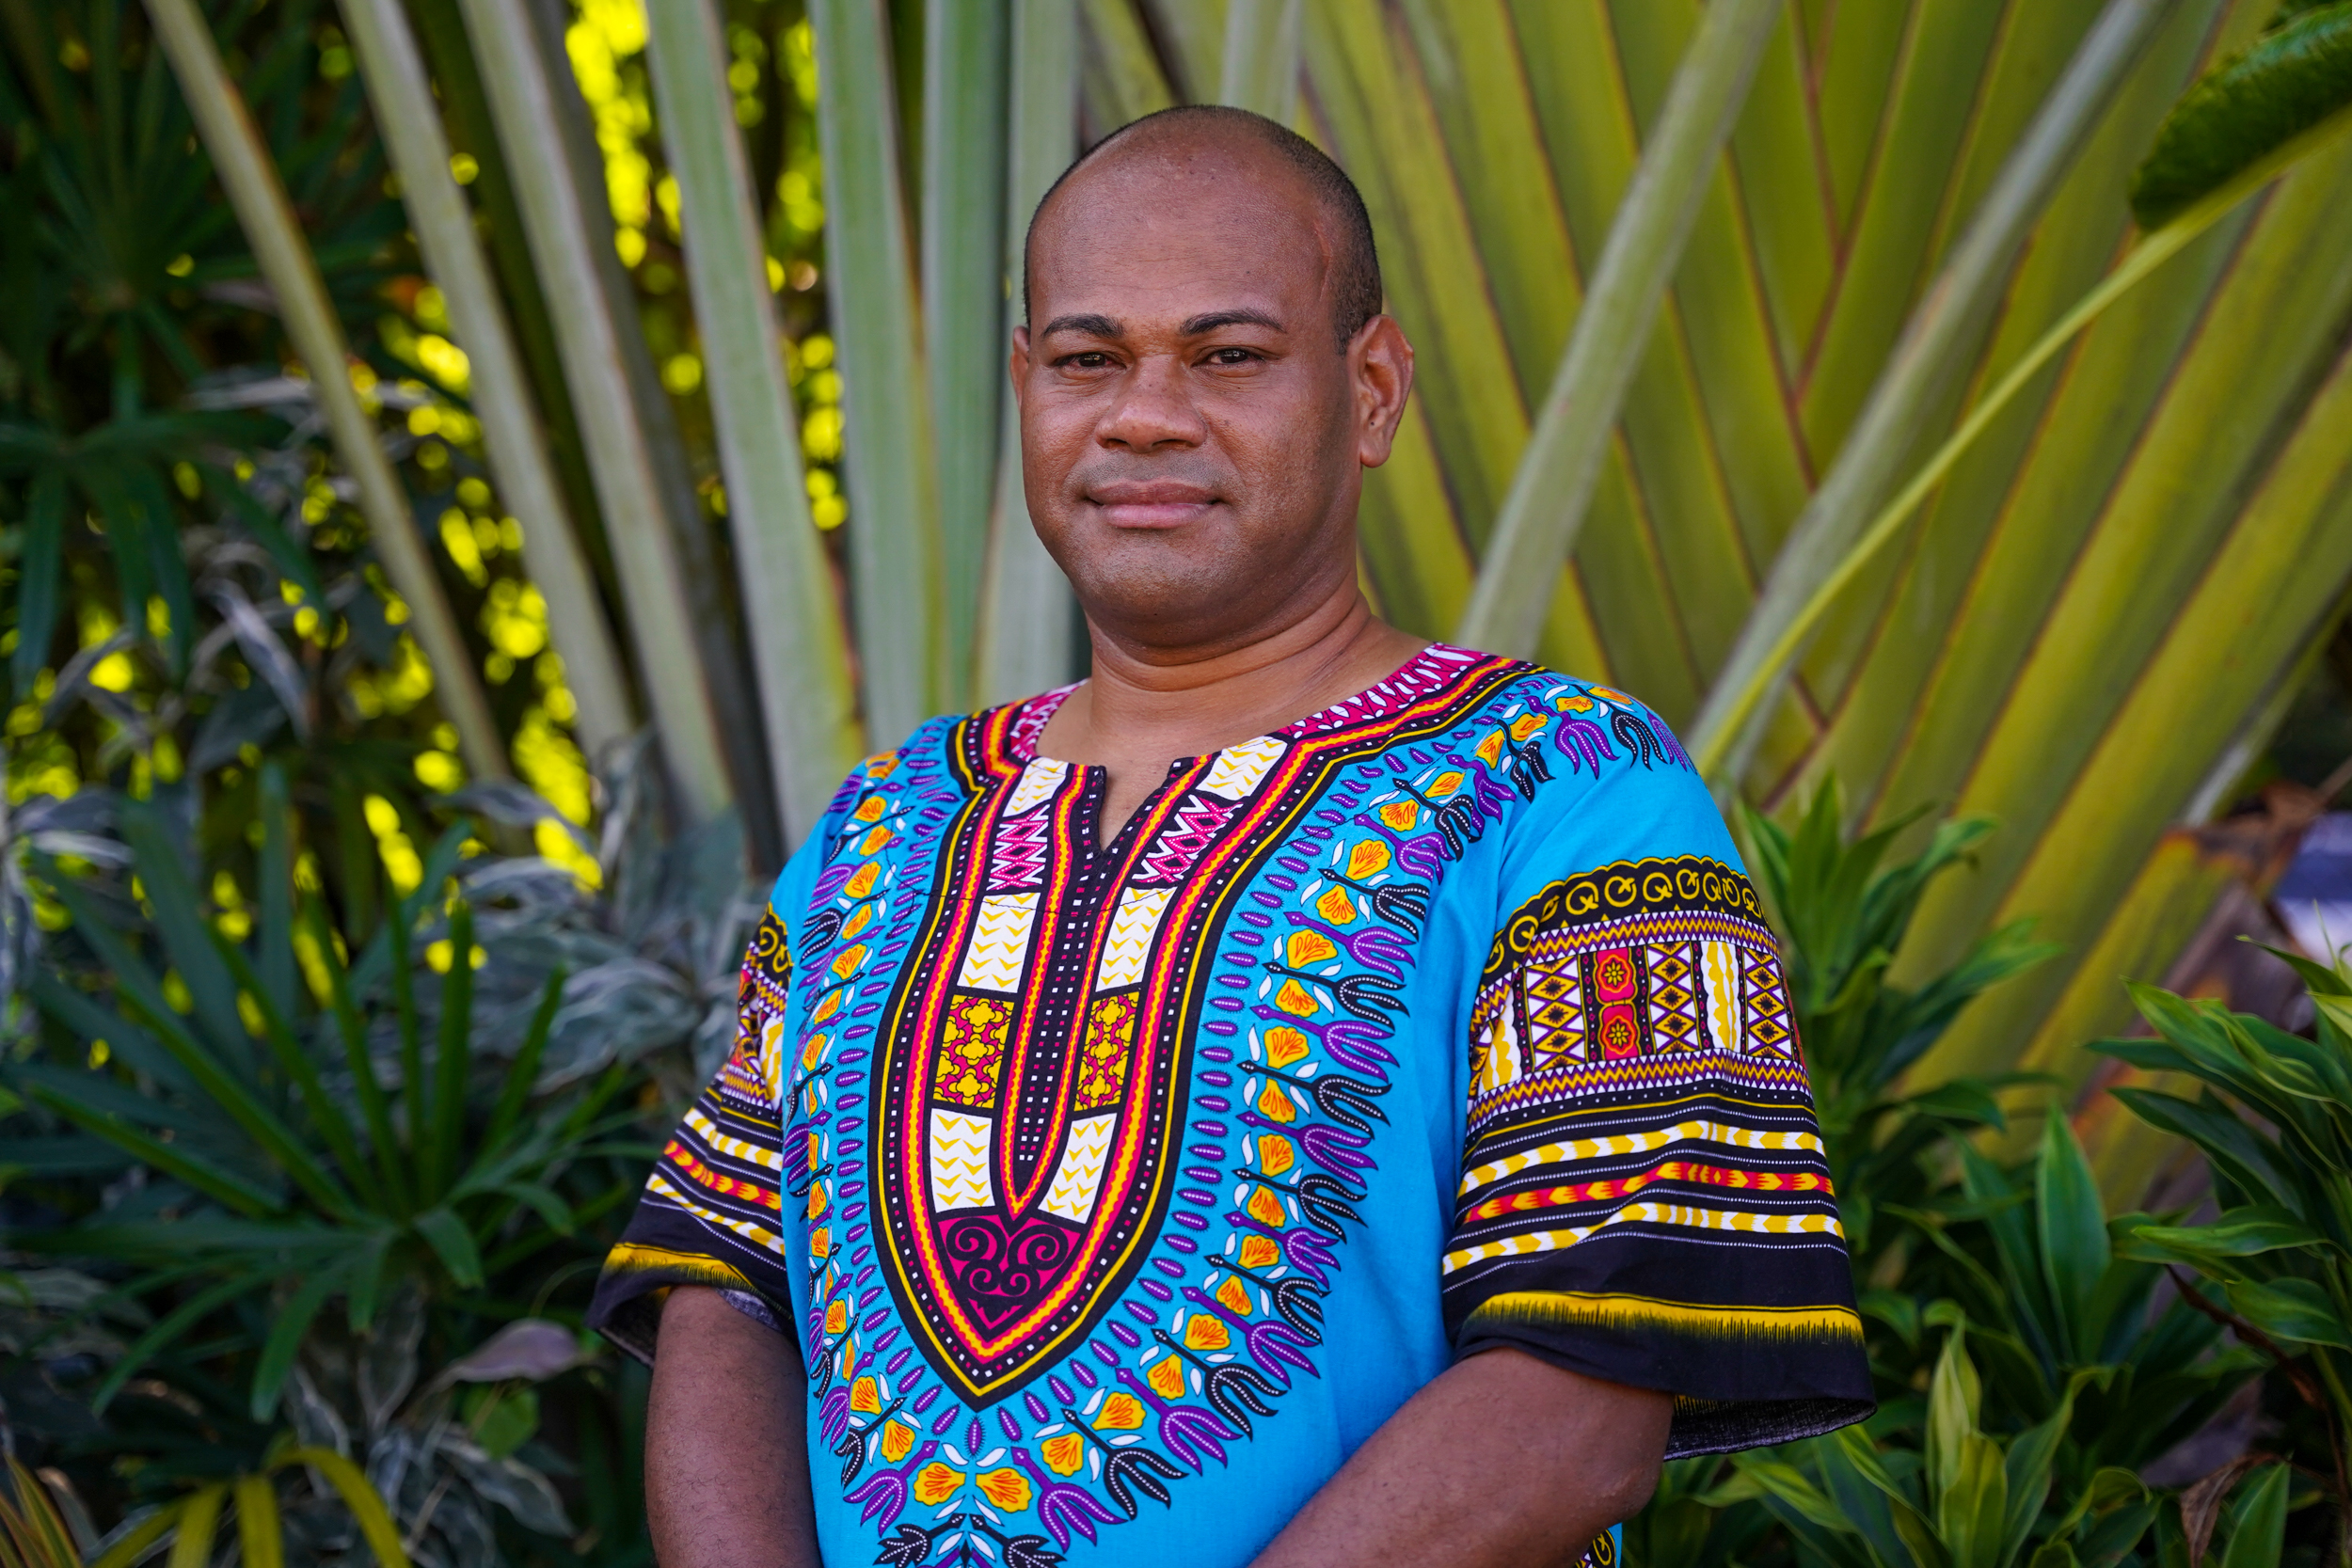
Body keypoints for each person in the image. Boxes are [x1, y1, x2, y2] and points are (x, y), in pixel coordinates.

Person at [588, 104, 1871, 1568]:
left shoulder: (1577, 792)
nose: (1143, 413)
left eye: (1228, 355)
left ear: (1371, 387)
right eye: (1088, 359)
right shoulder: (882, 828)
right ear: (1025, 389)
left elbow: (1592, 1388)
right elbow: (726, 1291)